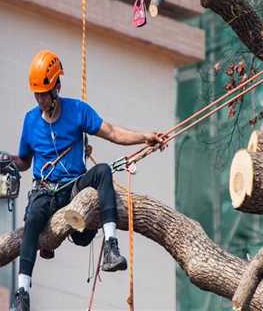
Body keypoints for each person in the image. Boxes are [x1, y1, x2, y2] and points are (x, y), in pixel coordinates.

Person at [9, 50, 164, 311]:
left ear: (57, 87)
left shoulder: (77, 111)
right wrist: (10, 161)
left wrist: (144, 136)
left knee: (102, 170)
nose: (40, 99)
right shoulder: (30, 121)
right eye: (36, 94)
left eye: (44, 93)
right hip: (45, 192)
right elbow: (24, 161)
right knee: (33, 216)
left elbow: (112, 132)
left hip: (74, 190)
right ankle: (22, 293)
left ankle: (111, 248)